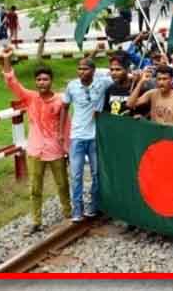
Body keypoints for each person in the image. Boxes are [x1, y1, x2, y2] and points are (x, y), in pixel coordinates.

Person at [0, 47, 71, 234]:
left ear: (51, 81)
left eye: (45, 79)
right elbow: (11, 82)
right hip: (35, 151)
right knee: (35, 188)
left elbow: (66, 127)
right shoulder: (30, 98)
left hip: (56, 150)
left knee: (62, 184)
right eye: (38, 79)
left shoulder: (60, 101)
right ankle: (36, 221)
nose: (42, 82)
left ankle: (69, 214)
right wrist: (6, 59)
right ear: (35, 82)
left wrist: (67, 150)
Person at [60, 53, 114, 223]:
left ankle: (94, 205)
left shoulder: (103, 83)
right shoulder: (72, 86)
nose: (81, 72)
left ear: (93, 71)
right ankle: (77, 208)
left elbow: (117, 76)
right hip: (77, 136)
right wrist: (62, 131)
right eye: (79, 68)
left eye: (85, 68)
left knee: (97, 173)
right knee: (76, 174)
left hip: (96, 137)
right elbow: (64, 107)